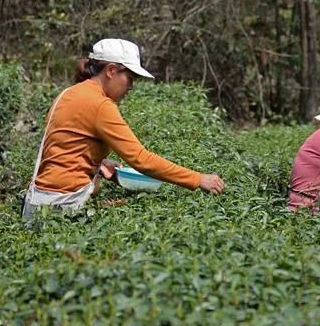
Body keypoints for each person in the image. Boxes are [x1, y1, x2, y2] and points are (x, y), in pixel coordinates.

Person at [22, 38, 226, 217]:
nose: (131, 87)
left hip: (38, 203)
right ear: (111, 70)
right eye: (130, 78)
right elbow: (141, 159)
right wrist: (198, 179)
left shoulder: (68, 93)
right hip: (64, 205)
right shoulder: (100, 105)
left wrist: (98, 164)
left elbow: (64, 146)